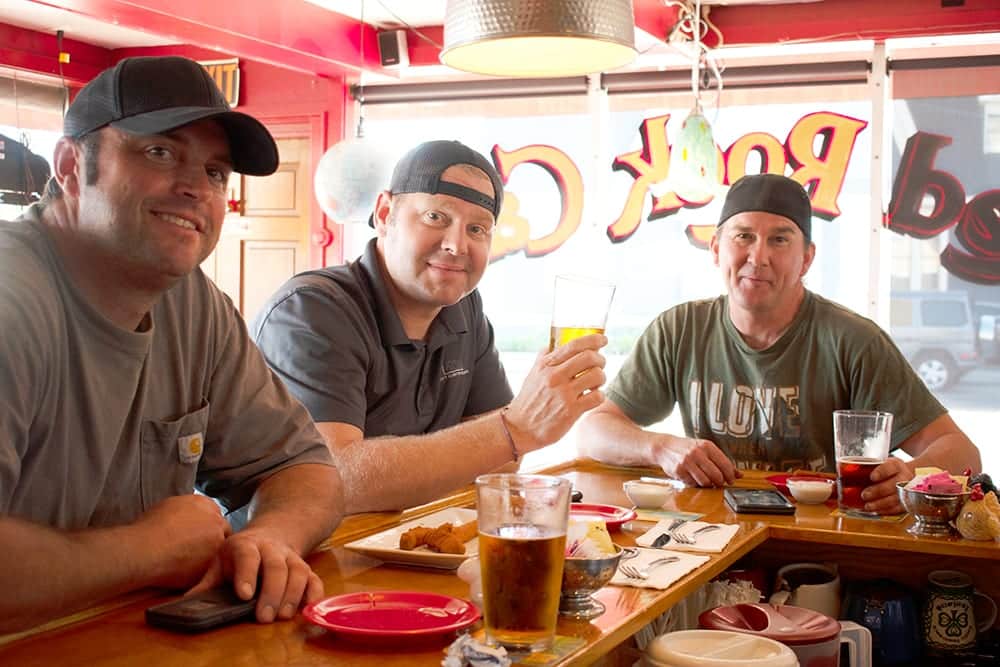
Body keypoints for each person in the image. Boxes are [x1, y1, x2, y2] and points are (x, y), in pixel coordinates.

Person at [0, 56, 345, 633]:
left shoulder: (192, 304)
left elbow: (305, 468)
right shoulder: (13, 299)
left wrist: (267, 540)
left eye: (215, 172)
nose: (194, 188)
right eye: (159, 152)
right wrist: (149, 550)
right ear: (68, 166)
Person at [577, 173, 981, 514]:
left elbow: (962, 452)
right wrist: (659, 447)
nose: (758, 256)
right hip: (712, 536)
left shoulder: (853, 340)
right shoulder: (679, 329)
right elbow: (593, 432)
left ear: (807, 258)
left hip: (822, 541)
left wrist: (912, 476)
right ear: (717, 249)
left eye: (780, 240)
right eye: (744, 236)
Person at [252, 140, 607, 513]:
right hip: (285, 560)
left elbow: (503, 460)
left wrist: (525, 425)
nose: (457, 245)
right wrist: (514, 429)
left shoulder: (464, 308)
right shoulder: (312, 310)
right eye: (436, 217)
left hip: (398, 547)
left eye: (477, 229)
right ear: (385, 213)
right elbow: (332, 478)